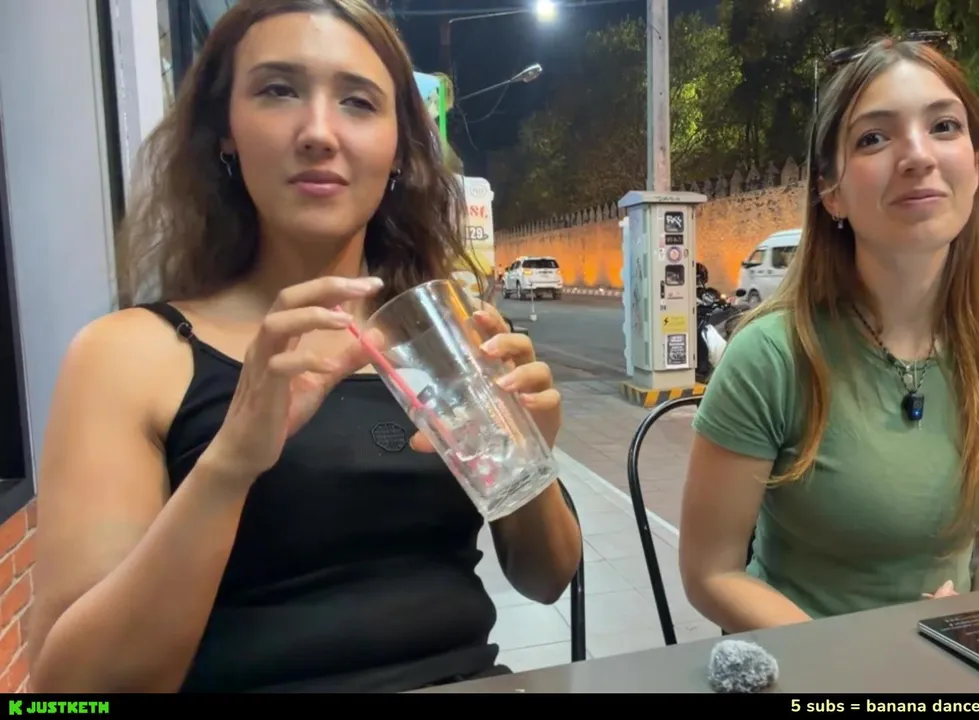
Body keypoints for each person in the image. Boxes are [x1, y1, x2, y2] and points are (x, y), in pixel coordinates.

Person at [27, 0, 581, 693]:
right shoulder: (127, 355)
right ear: (225, 132)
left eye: (358, 102)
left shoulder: (445, 339)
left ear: (399, 151)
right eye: (278, 90)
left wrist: (529, 457)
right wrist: (229, 465)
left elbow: (547, 578)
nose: (318, 132)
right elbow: (64, 694)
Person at [678, 37, 979, 632]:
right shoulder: (772, 356)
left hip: (946, 662)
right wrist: (865, 659)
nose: (918, 156)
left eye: (944, 127)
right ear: (831, 192)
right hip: (806, 664)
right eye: (874, 138)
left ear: (977, 164)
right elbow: (712, 573)